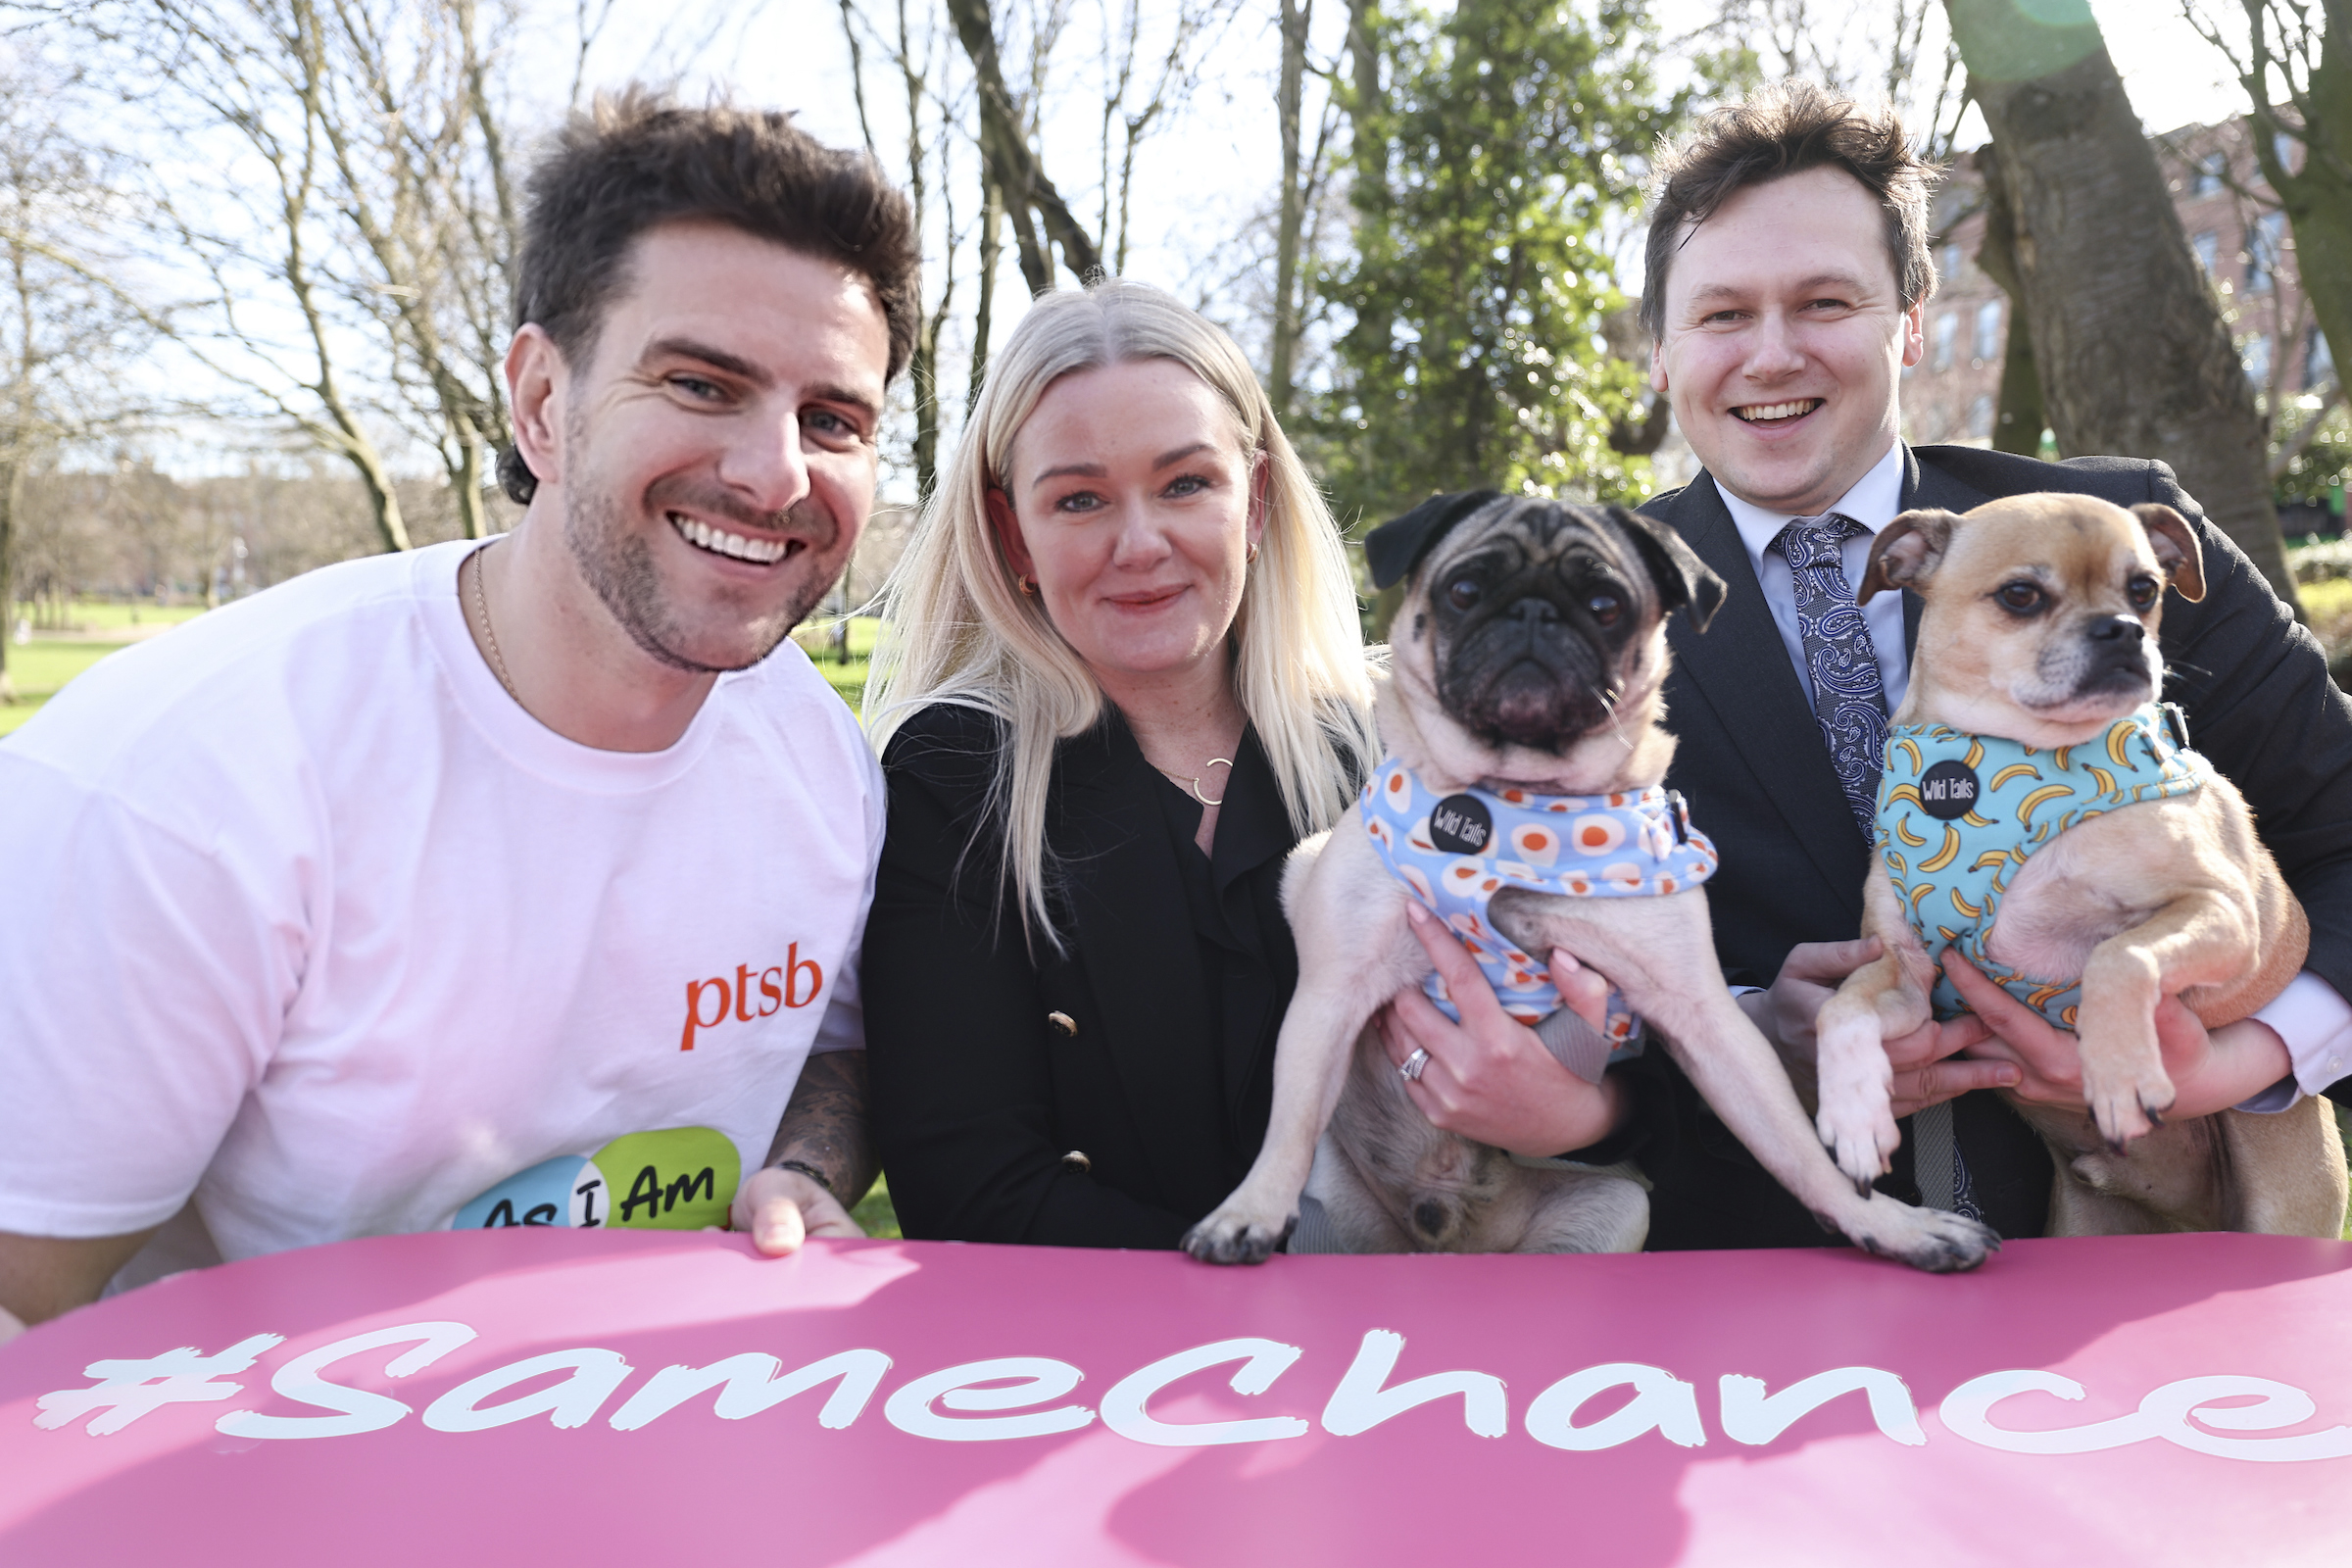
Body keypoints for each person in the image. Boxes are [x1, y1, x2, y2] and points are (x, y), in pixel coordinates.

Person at [0, 89, 919, 1335]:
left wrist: (806, 1172)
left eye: (834, 420)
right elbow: (21, 1296)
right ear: (542, 402)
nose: (776, 472)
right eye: (703, 384)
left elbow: (838, 1041)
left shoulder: (821, 756)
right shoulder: (186, 786)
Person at [1606, 82, 2352, 1249]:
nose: (1773, 352)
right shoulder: (1588, 610)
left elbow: (2343, 832)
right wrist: (1753, 1031)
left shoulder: (2120, 537)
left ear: (1911, 318)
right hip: (1760, 1279)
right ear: (1661, 348)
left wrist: (2237, 1063)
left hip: (2160, 1267)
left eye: (1825, 300)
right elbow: (1522, 942)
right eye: (1720, 316)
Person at [860, 281, 1621, 1249]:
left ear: (1254, 501)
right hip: (1108, 1369)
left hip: (1418, 1363)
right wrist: (1289, 1308)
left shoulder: (1389, 755)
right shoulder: (959, 776)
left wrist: (1577, 1106)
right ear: (1015, 536)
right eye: (1080, 497)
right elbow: (968, 1192)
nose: (1140, 544)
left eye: (1186, 484)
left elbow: (1581, 1041)